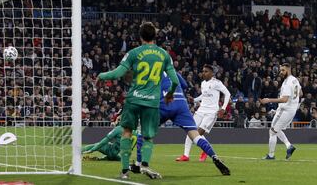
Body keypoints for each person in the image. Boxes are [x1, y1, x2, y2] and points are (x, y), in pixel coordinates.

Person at [96, 22, 179, 179]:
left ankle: (125, 171)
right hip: (152, 102)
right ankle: (145, 166)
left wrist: (102, 76)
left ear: (140, 36)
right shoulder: (164, 55)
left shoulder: (133, 53)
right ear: (155, 36)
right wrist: (170, 94)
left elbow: (118, 73)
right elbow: (175, 81)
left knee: (127, 132)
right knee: (148, 136)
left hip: (134, 100)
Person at [130, 71, 230, 176]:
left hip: (164, 103)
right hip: (181, 104)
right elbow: (185, 85)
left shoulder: (152, 71)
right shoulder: (172, 71)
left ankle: (138, 164)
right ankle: (214, 156)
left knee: (143, 130)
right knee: (195, 135)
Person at [176, 64, 231, 162]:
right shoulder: (203, 83)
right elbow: (203, 96)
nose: (203, 73)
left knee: (198, 133)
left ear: (212, 73)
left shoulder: (217, 83)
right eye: (203, 71)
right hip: (201, 110)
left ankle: (205, 150)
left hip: (211, 113)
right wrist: (194, 99)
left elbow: (227, 93)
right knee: (190, 131)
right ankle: (185, 155)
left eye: (206, 71)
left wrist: (223, 108)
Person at [260, 63, 302, 160]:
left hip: (286, 109)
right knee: (276, 129)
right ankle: (289, 146)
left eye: (283, 70)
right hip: (291, 110)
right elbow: (300, 93)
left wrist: (269, 100)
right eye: (281, 70)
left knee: (272, 131)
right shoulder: (295, 80)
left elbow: (284, 99)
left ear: (288, 69)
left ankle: (271, 155)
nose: (281, 72)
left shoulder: (287, 82)